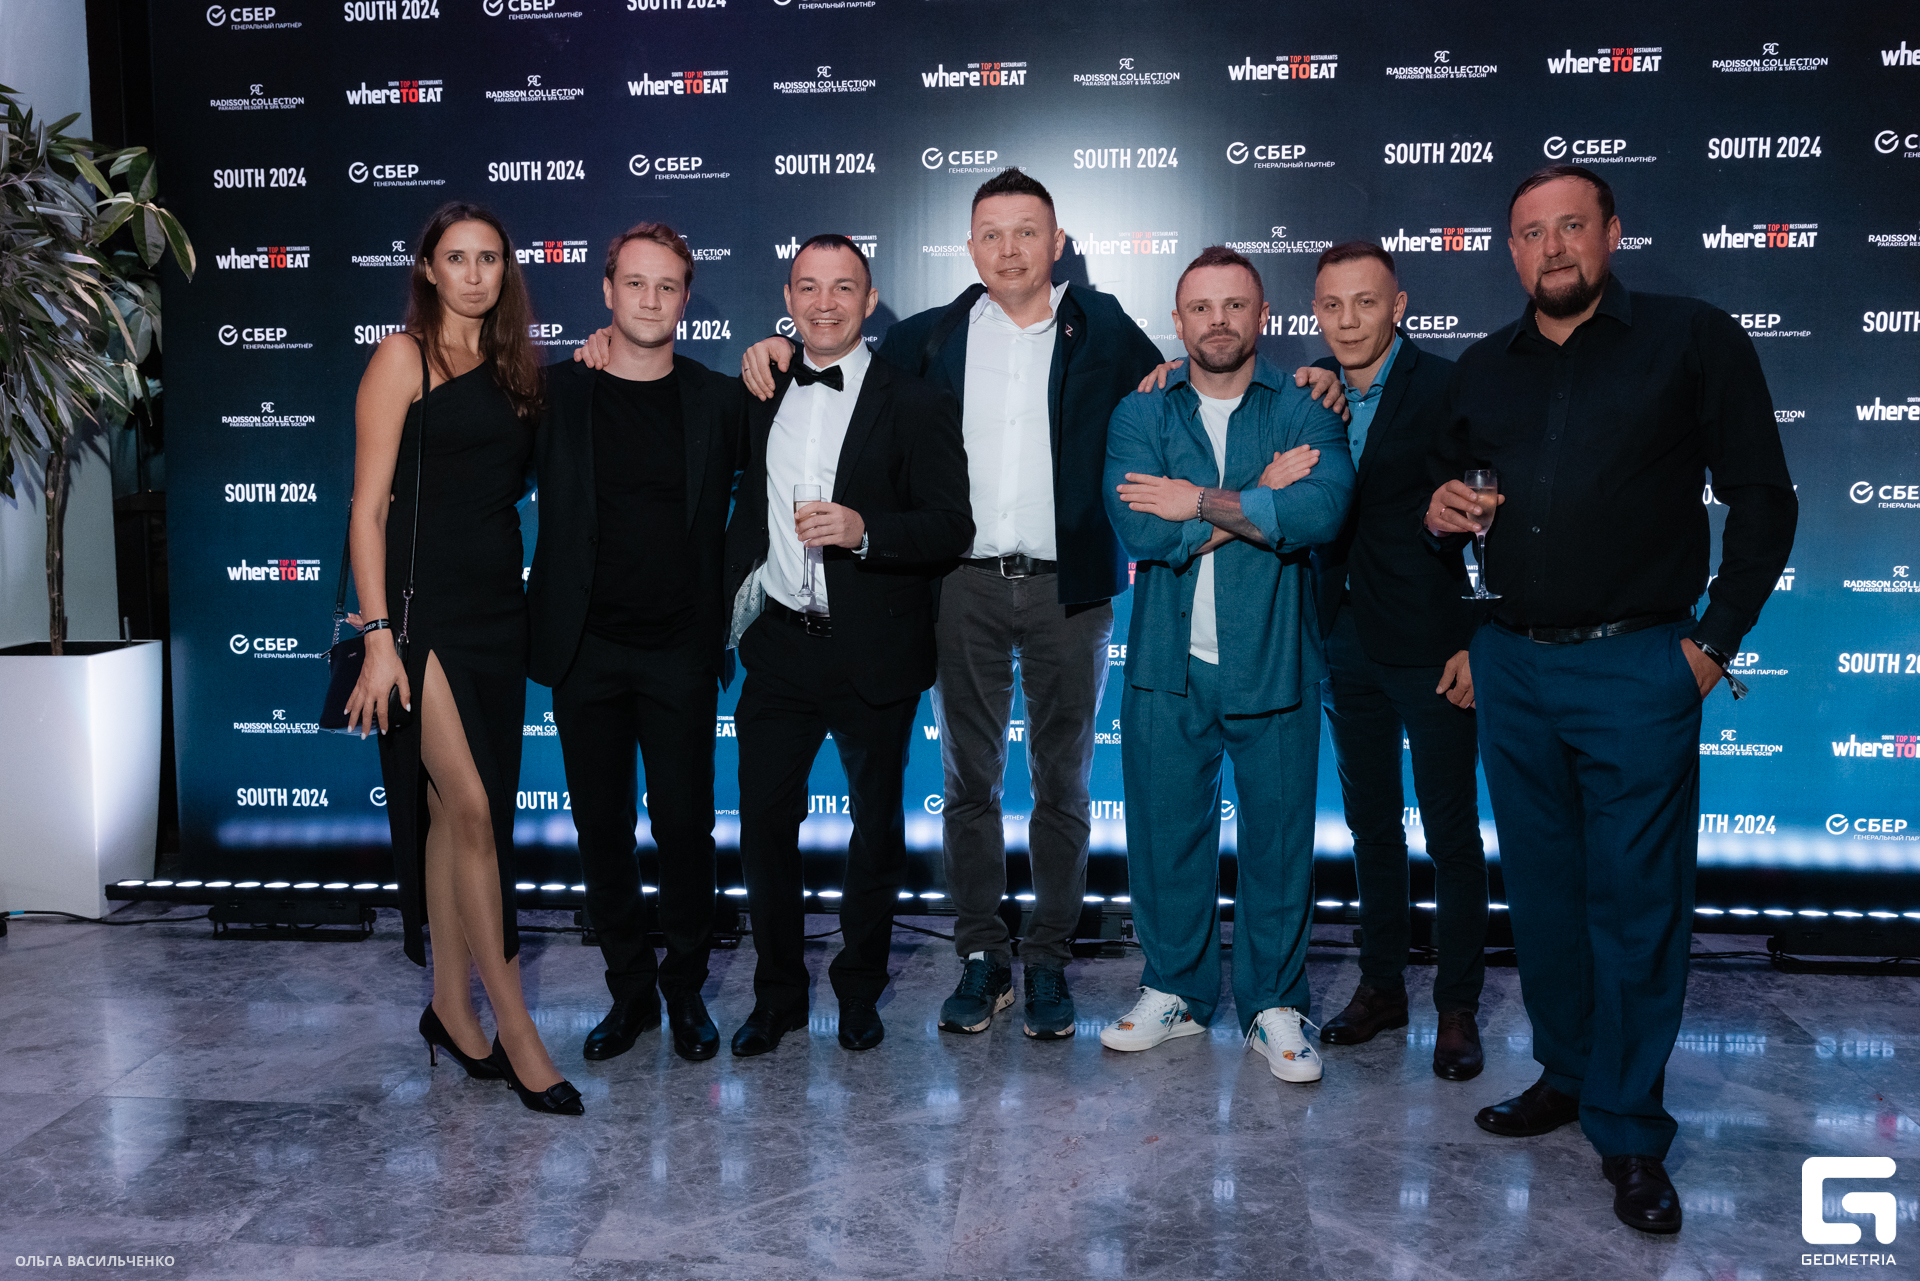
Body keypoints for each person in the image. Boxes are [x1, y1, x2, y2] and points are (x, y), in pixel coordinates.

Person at [1425, 165, 1797, 1233]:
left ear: (1612, 233)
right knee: (1545, 897)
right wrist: (1443, 532)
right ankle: (1570, 1073)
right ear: (1511, 251)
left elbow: (1765, 501)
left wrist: (1711, 645)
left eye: (1571, 226)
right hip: (1515, 668)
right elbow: (1442, 517)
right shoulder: (1482, 369)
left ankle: (1630, 1128)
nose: (1552, 248)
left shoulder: (1692, 338)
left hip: (1640, 664)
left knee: (1636, 904)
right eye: (1531, 233)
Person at [733, 170, 1159, 1039]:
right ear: (969, 248)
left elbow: (1183, 386)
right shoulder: (927, 338)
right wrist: (768, 348)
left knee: (1064, 783)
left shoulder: (1105, 327)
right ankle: (981, 954)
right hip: (960, 584)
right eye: (991, 233)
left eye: (1026, 231)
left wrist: (1306, 383)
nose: (1009, 249)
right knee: (968, 782)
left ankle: (1048, 957)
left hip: (1069, 588)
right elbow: (832, 359)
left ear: (1057, 242)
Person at [345, 201, 580, 1115]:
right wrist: (377, 637)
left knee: (454, 814)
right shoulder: (403, 357)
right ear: (428, 269)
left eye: (489, 258)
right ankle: (517, 1030)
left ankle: (450, 1006)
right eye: (457, 257)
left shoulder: (520, 372)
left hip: (496, 614)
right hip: (419, 617)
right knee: (476, 811)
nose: (475, 273)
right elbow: (368, 509)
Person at [1097, 246, 1352, 1084]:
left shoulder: (1305, 404)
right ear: (1178, 321)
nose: (1218, 321)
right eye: (1201, 308)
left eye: (1235, 305)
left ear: (1263, 315)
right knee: (1164, 834)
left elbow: (1319, 511)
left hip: (1273, 657)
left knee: (1278, 843)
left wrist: (1199, 500)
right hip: (1165, 662)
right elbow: (1143, 530)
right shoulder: (1143, 410)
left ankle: (1274, 1003)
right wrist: (1258, 493)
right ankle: (1175, 989)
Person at [721, 235, 972, 1057]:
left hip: (876, 647)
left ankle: (859, 989)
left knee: (875, 829)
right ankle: (777, 994)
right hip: (780, 644)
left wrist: (865, 531)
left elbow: (951, 525)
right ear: (787, 299)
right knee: (765, 826)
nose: (824, 303)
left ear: (869, 301)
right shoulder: (759, 387)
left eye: (842, 288)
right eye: (808, 287)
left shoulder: (917, 400)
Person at [529, 223, 744, 1065]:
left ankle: (684, 989)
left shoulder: (719, 399)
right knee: (602, 829)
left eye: (667, 286)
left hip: (679, 649)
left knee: (685, 827)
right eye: (635, 283)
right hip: (583, 649)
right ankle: (629, 992)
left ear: (685, 299)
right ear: (607, 291)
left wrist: (775, 351)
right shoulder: (556, 392)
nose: (650, 300)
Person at [1303, 241, 1490, 1081]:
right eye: (1332, 305)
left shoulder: (1449, 387)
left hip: (1434, 644)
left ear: (1400, 305)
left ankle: (1458, 1006)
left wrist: (1479, 638)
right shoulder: (1311, 389)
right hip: (1340, 637)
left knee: (1450, 831)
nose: (1348, 321)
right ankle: (1382, 986)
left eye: (1365, 302)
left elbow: (1495, 518)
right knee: (1371, 824)